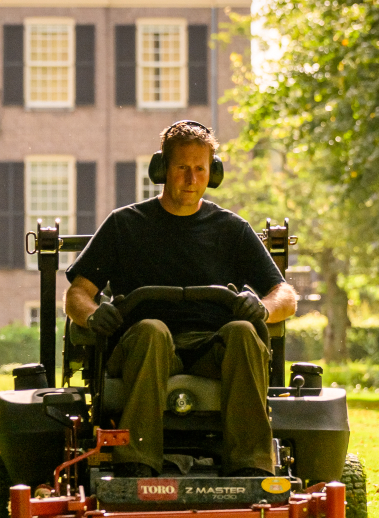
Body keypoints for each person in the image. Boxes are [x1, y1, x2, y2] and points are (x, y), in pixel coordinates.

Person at [64, 121, 298, 477]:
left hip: (212, 351)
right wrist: (94, 315)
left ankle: (251, 469)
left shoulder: (232, 229)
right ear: (162, 170)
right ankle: (137, 466)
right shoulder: (124, 225)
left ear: (213, 173)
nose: (191, 178)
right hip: (145, 348)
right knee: (153, 330)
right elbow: (77, 293)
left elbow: (285, 295)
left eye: (200, 169)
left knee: (243, 332)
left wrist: (264, 308)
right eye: (182, 168)